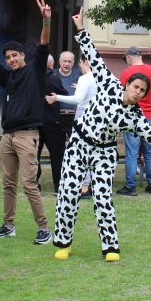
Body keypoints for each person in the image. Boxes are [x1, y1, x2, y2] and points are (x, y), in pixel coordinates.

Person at [52, 8, 151, 262]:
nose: (138, 92)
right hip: (78, 143)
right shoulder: (109, 84)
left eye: (143, 91)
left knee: (103, 199)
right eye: (136, 87)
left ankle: (110, 248)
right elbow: (93, 56)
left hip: (104, 153)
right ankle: (63, 243)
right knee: (68, 193)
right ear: (127, 84)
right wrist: (80, 28)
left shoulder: (136, 117)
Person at [0, 0, 52, 245]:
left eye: (14, 55)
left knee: (29, 184)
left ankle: (44, 229)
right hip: (7, 136)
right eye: (8, 57)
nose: (11, 60)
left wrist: (46, 20)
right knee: (8, 184)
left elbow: (44, 44)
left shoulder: (35, 70)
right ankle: (8, 225)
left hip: (27, 135)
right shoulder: (8, 77)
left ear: (23, 56)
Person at [116, 46, 151, 196]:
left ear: (129, 57)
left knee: (132, 153)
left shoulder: (127, 73)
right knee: (150, 153)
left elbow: (121, 94)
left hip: (132, 116)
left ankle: (130, 186)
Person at [47, 54, 96, 201]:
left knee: (82, 152)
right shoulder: (99, 77)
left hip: (82, 118)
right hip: (89, 118)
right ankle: (85, 184)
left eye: (75, 62)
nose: (68, 64)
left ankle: (84, 187)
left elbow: (77, 99)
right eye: (64, 61)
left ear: (83, 62)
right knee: (88, 152)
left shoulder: (83, 78)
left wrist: (56, 97)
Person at [37, 55, 68, 195]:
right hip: (52, 123)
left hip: (35, 123)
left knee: (34, 156)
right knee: (57, 156)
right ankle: (58, 185)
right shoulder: (54, 79)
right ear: (50, 64)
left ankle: (34, 184)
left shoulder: (32, 77)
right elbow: (64, 95)